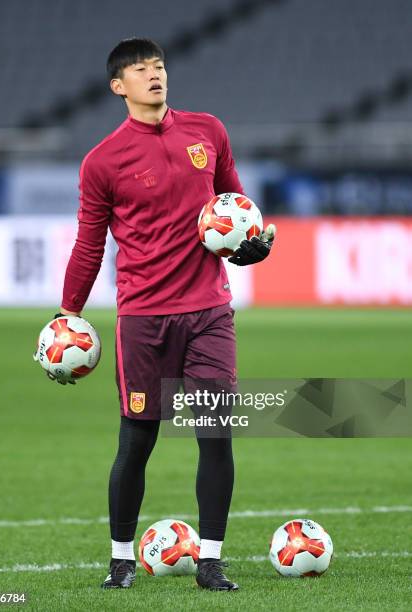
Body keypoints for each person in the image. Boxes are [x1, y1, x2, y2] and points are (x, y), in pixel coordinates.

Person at [57, 37, 275, 591]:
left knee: (215, 434)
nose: (154, 75)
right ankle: (122, 561)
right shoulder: (103, 161)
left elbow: (236, 206)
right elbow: (88, 245)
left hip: (208, 312)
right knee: (138, 440)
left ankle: (210, 561)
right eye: (139, 69)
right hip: (144, 318)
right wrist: (68, 313)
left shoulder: (208, 131)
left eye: (158, 66)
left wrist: (254, 243)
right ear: (118, 86)